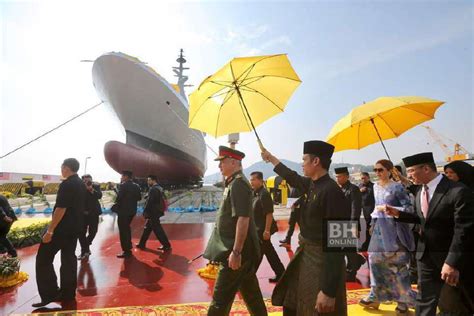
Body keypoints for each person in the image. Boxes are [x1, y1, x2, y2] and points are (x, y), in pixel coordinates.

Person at [262, 140, 350, 315]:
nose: (302, 164)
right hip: (305, 256)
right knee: (295, 304)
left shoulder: (333, 192)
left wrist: (329, 291)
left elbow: (340, 244)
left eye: (304, 160)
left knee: (317, 309)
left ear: (316, 161)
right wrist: (271, 158)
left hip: (322, 263)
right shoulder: (311, 184)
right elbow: (292, 176)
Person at [385, 152, 474, 315]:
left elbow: (463, 230)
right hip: (425, 256)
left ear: (426, 168)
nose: (409, 175)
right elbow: (426, 219)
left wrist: (452, 262)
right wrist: (399, 215)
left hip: (451, 259)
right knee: (424, 300)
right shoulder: (420, 191)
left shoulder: (458, 191)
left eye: (411, 171)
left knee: (457, 304)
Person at [204, 146, 267, 316]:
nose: (219, 166)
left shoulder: (238, 184)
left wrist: (236, 252)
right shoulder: (234, 182)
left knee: (219, 301)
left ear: (234, 162)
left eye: (222, 162)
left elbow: (243, 219)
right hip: (241, 252)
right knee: (252, 295)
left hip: (236, 253)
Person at [358, 159, 416, 313]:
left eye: (381, 170)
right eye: (375, 170)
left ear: (389, 171)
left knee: (397, 266)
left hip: (395, 230)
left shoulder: (398, 187)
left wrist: (391, 209)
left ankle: (403, 301)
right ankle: (376, 296)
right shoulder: (376, 186)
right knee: (375, 261)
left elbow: (409, 209)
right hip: (378, 230)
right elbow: (376, 208)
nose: (377, 173)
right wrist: (372, 225)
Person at [33, 158, 86, 307]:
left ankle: (50, 293)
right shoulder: (81, 184)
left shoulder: (67, 184)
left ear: (66, 168)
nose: (61, 170)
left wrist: (50, 231)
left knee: (43, 259)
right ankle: (68, 293)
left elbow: (61, 209)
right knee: (69, 260)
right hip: (74, 229)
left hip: (61, 230)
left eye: (62, 167)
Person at [249, 171, 285, 283]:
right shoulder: (255, 193)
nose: (251, 182)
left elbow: (269, 214)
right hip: (257, 229)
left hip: (263, 230)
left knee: (257, 254)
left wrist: (267, 231)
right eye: (251, 180)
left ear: (260, 181)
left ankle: (249, 278)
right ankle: (281, 274)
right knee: (269, 252)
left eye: (254, 179)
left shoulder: (264, 194)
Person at [334, 167, 366, 281]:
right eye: (336, 177)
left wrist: (353, 226)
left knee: (349, 250)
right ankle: (358, 261)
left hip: (349, 223)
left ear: (347, 176)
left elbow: (355, 209)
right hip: (338, 224)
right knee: (342, 249)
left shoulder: (353, 189)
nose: (338, 179)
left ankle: (352, 272)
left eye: (340, 176)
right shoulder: (337, 189)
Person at [136, 175, 171, 251]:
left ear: (153, 180)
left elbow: (150, 202)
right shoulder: (159, 188)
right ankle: (142, 244)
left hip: (153, 213)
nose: (148, 182)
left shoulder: (153, 189)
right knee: (147, 229)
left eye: (149, 180)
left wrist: (145, 211)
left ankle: (166, 245)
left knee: (158, 230)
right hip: (156, 211)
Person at [112, 170, 141, 258]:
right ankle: (128, 245)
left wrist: (117, 191)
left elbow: (118, 199)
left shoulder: (123, 185)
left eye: (122, 176)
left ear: (126, 177)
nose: (121, 178)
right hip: (132, 211)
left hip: (123, 212)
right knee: (127, 228)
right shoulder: (136, 186)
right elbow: (139, 198)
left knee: (123, 231)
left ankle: (126, 251)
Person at [77, 174, 102, 260]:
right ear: (82, 180)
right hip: (82, 214)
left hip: (93, 213)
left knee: (93, 232)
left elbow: (99, 196)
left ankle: (86, 246)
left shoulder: (96, 185)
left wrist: (91, 189)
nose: (87, 182)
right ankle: (84, 251)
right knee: (81, 233)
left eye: (89, 180)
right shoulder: (79, 187)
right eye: (85, 180)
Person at [358, 172, 375, 251]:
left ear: (368, 177)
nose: (363, 180)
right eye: (362, 178)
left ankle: (368, 246)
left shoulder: (373, 186)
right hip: (363, 211)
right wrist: (359, 192)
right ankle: (365, 245)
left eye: (364, 178)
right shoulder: (359, 186)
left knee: (370, 228)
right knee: (364, 229)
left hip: (372, 210)